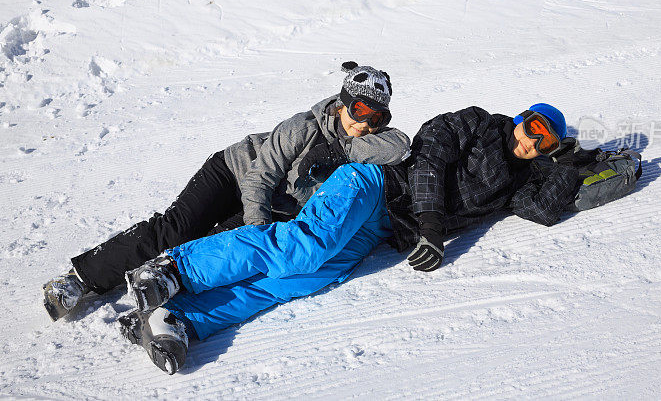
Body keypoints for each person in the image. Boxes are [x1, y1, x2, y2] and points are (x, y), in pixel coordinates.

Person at [116, 102, 586, 374]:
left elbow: (543, 212)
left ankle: (178, 319)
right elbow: (428, 159)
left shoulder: (522, 179)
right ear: (521, 117)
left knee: (306, 278)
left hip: (385, 226)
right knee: (305, 246)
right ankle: (173, 269)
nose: (529, 142)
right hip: (373, 185)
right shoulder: (479, 122)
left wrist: (564, 166)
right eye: (532, 129)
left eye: (543, 143)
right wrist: (431, 226)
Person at [42, 61, 411, 322]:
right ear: (342, 100)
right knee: (176, 230)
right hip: (236, 173)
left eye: (376, 118)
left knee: (217, 244)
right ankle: (79, 280)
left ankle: (161, 296)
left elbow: (401, 145)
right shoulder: (303, 126)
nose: (363, 123)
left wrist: (341, 149)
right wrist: (256, 225)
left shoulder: (362, 145)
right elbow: (259, 179)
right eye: (359, 109)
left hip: (278, 203)